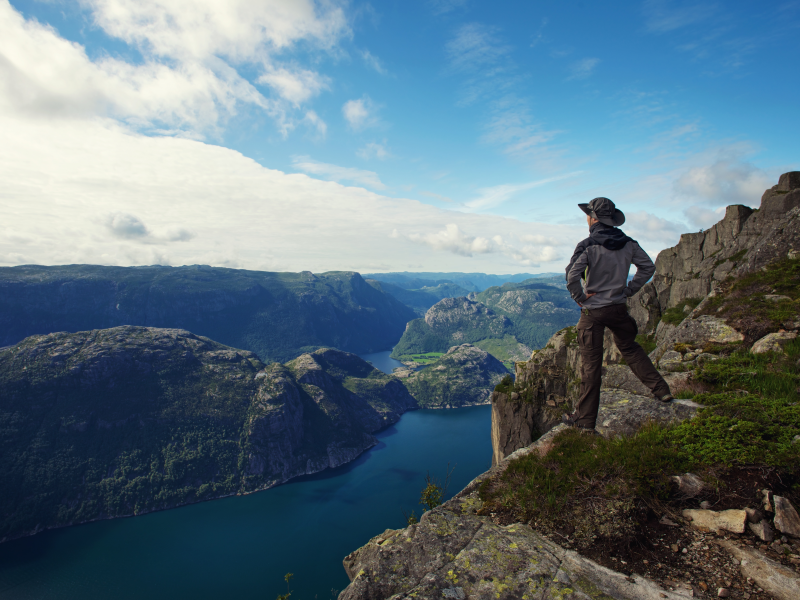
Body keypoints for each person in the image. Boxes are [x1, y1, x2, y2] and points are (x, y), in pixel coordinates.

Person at [563, 197, 673, 434]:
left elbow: (571, 275)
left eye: (587, 215)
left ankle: (584, 420)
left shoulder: (588, 245)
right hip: (618, 309)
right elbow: (648, 267)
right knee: (631, 349)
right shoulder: (629, 243)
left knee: (591, 367)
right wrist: (629, 289)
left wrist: (581, 298)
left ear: (593, 218)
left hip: (593, 312)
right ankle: (661, 390)